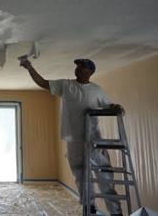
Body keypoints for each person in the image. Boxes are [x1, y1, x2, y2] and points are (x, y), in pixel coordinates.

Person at [20, 58, 124, 216]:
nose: (78, 69)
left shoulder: (97, 90)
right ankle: (89, 207)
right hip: (74, 140)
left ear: (90, 72)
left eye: (82, 67)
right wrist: (29, 67)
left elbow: (109, 106)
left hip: (94, 140)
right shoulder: (66, 85)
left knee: (104, 175)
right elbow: (42, 82)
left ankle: (115, 212)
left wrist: (116, 107)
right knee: (81, 176)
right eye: (77, 67)